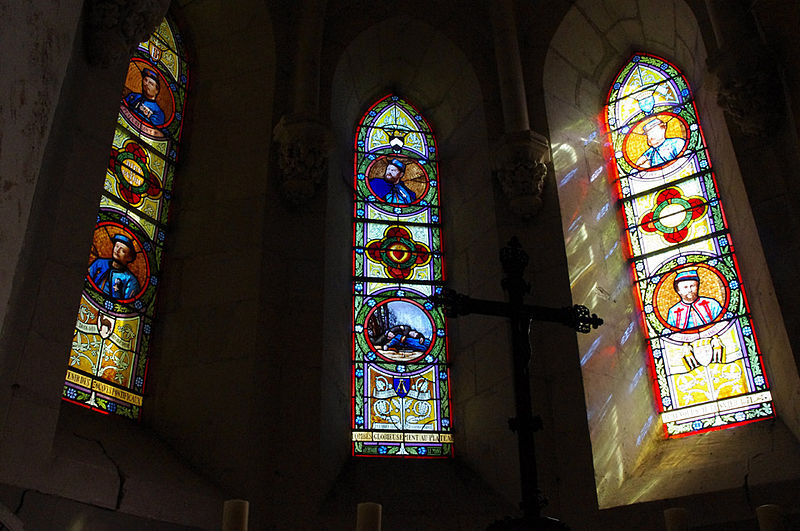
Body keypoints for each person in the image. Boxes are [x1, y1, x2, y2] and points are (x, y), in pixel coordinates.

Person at [88, 234, 141, 300]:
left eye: (123, 250)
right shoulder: (99, 263)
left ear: (129, 258)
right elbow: (87, 280)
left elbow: (127, 304)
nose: (117, 250)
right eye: (116, 246)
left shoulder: (130, 280)